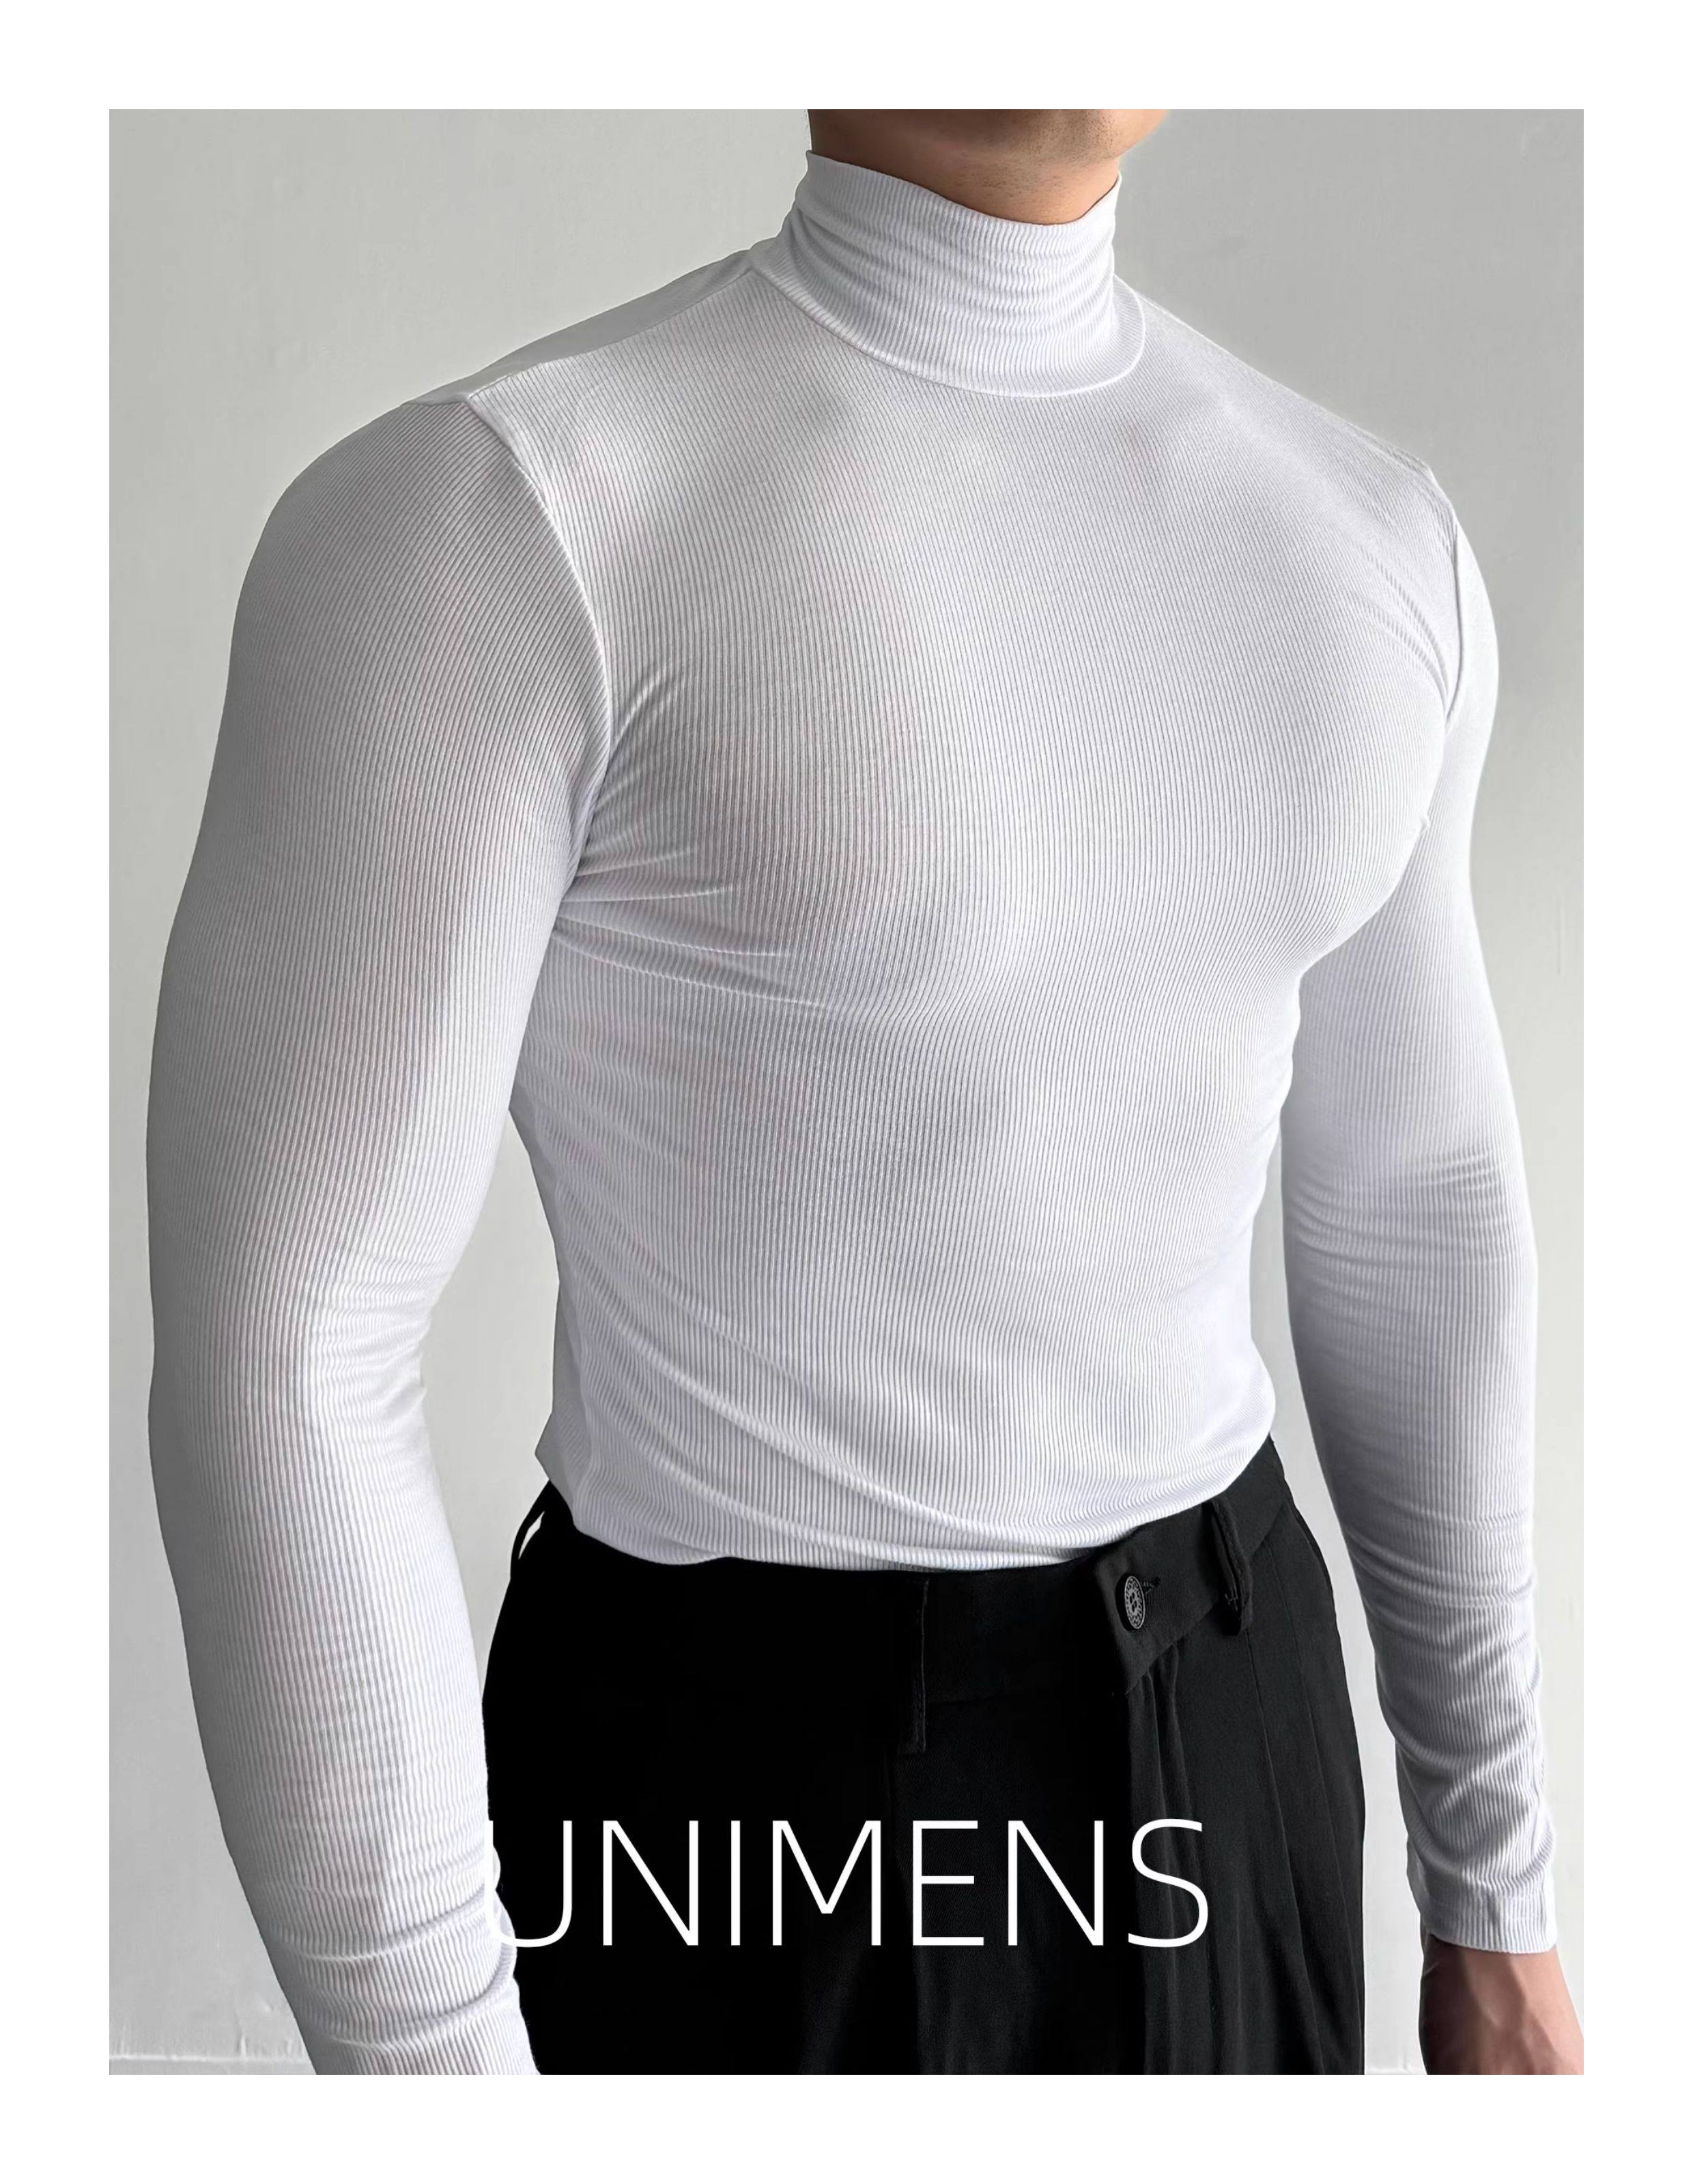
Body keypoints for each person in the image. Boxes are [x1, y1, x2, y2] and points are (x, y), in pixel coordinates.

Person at [145, 107, 1582, 2073]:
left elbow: (1416, 1203)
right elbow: (286, 1357)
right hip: (745, 1800)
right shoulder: (502, 515)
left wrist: (1495, 1883)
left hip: (1239, 1726)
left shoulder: (1365, 535)